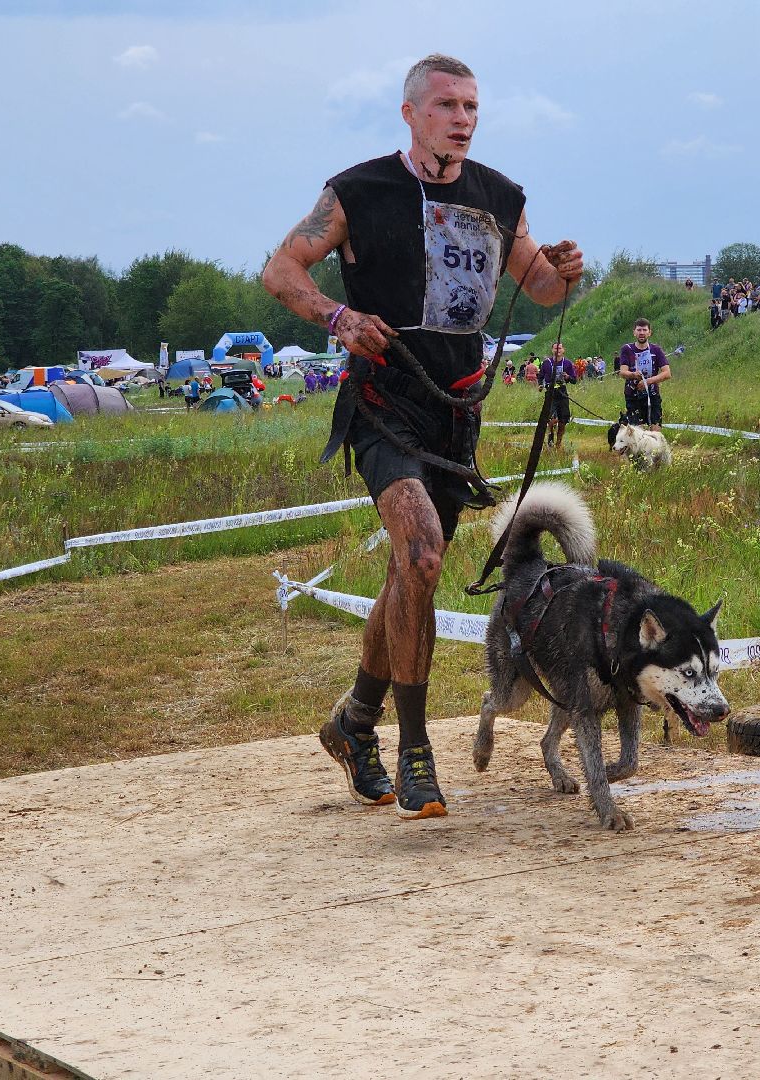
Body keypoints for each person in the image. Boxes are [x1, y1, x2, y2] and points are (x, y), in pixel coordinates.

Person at [262, 53, 582, 820]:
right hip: (382, 402)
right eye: (447, 105)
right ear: (410, 112)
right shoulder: (357, 191)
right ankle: (414, 752)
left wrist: (565, 270)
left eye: (472, 106)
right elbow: (281, 269)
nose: (463, 119)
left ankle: (353, 723)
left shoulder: (499, 197)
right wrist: (338, 318)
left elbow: (536, 284)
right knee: (422, 553)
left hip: (455, 413)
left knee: (414, 576)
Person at [617, 318, 670, 431]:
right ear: (634, 332)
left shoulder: (656, 350)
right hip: (633, 395)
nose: (642, 333)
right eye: (639, 330)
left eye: (644, 330)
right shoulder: (627, 349)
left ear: (649, 332)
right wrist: (633, 375)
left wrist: (649, 381)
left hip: (652, 394)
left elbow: (667, 373)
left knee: (655, 431)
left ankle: (654, 448)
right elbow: (622, 372)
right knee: (637, 433)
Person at [539, 341, 577, 448]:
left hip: (562, 393)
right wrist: (540, 385)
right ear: (552, 350)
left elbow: (574, 380)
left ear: (563, 350)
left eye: (559, 348)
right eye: (555, 348)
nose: (557, 351)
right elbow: (540, 376)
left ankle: (558, 443)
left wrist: (568, 377)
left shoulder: (568, 363)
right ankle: (550, 438)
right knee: (550, 418)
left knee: (563, 420)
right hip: (550, 393)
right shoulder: (546, 363)